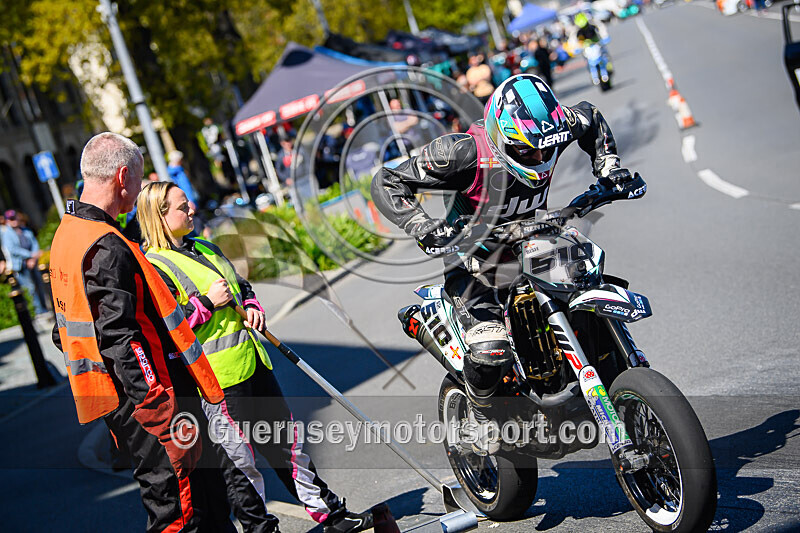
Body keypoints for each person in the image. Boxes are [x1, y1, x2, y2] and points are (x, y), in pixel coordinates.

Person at [371, 74, 640, 454]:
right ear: (500, 134)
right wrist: (422, 224)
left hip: (536, 241)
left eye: (545, 150)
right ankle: (481, 418)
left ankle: (622, 381)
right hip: (475, 261)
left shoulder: (554, 127)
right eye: (526, 151)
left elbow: (591, 118)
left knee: (590, 279)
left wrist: (609, 166)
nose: (539, 158)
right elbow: (387, 181)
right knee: (490, 347)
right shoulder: (461, 152)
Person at [136, 181, 376, 533]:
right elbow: (168, 327)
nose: (191, 210)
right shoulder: (154, 266)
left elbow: (240, 286)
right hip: (216, 383)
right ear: (160, 215)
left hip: (253, 364)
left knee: (288, 446)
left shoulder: (204, 246)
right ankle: (261, 529)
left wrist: (251, 305)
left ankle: (331, 515)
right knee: (240, 466)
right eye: (182, 206)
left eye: (188, 204)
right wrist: (206, 304)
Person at [49, 132, 259, 533]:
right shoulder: (105, 244)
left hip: (130, 399)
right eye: (140, 181)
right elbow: (120, 339)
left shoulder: (69, 235)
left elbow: (67, 331)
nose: (140, 191)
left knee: (206, 500)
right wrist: (157, 408)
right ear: (123, 177)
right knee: (178, 512)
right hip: (150, 401)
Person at [1, 209, 46, 315]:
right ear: (7, 221)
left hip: (32, 262)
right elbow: (13, 250)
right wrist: (29, 255)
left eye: (14, 218)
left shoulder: (26, 230)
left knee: (40, 285)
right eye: (11, 219)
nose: (13, 221)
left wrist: (33, 258)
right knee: (29, 288)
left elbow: (34, 244)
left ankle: (44, 308)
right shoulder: (7, 234)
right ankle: (37, 311)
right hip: (21, 265)